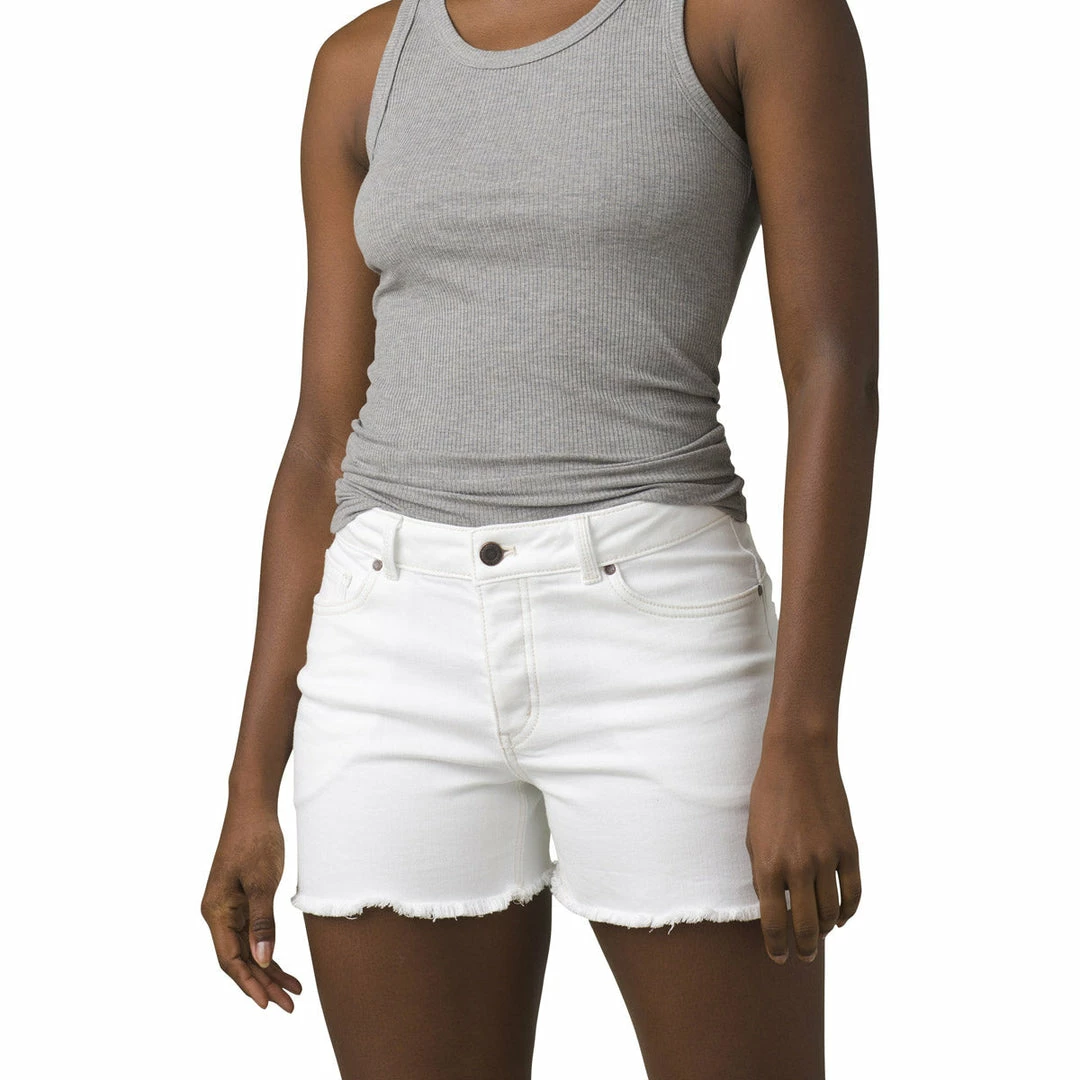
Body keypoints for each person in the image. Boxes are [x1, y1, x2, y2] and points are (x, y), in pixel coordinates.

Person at [201, 0, 876, 1075]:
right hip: (388, 639)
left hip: (658, 634)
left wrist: (803, 734)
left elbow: (834, 373)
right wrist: (250, 784)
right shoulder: (362, 66)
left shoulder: (748, 19)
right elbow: (322, 439)